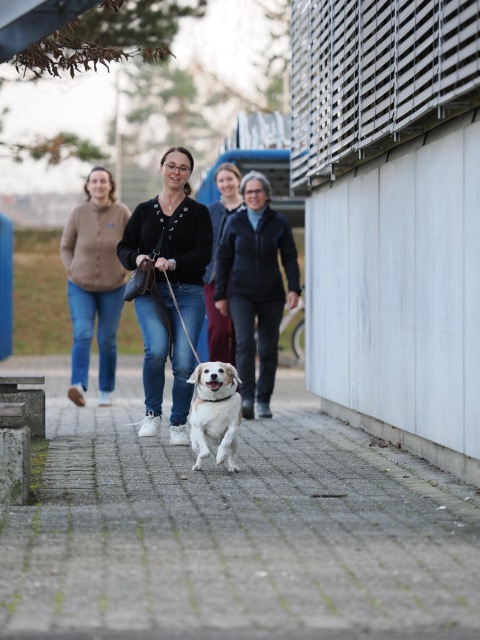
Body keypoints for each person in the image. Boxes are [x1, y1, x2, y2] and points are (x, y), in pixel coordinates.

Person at [117, 146, 213, 445]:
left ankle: (179, 423)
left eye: (183, 168)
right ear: (161, 168)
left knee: (184, 361)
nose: (176, 172)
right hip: (151, 293)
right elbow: (123, 247)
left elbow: (204, 254)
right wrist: (137, 258)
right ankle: (152, 414)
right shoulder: (144, 210)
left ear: (189, 174)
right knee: (156, 351)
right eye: (171, 165)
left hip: (188, 294)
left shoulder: (199, 213)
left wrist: (174, 263)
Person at [214, 170, 301, 420]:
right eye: (249, 191)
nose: (253, 195)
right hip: (240, 293)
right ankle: (247, 398)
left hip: (272, 294)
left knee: (269, 347)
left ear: (266, 194)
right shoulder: (234, 222)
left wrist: (294, 288)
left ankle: (264, 400)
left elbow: (289, 257)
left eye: (258, 191)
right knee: (245, 344)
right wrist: (220, 294)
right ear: (243, 195)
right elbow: (223, 258)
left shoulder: (279, 222)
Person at [60, 166, 131, 408]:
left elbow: (133, 245)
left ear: (110, 185)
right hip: (80, 286)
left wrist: (123, 269)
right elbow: (65, 246)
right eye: (94, 181)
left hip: (114, 286)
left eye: (103, 181)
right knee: (82, 333)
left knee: (107, 339)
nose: (99, 185)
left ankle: (105, 390)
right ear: (88, 186)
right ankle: (78, 386)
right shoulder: (78, 213)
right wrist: (71, 268)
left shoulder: (122, 213)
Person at [204, 162, 244, 363]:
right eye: (221, 180)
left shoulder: (249, 209)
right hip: (214, 279)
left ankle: (237, 379)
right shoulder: (210, 211)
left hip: (243, 280)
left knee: (240, 333)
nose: (226, 184)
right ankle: (217, 377)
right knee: (218, 330)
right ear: (217, 184)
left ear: (238, 180)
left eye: (230, 179)